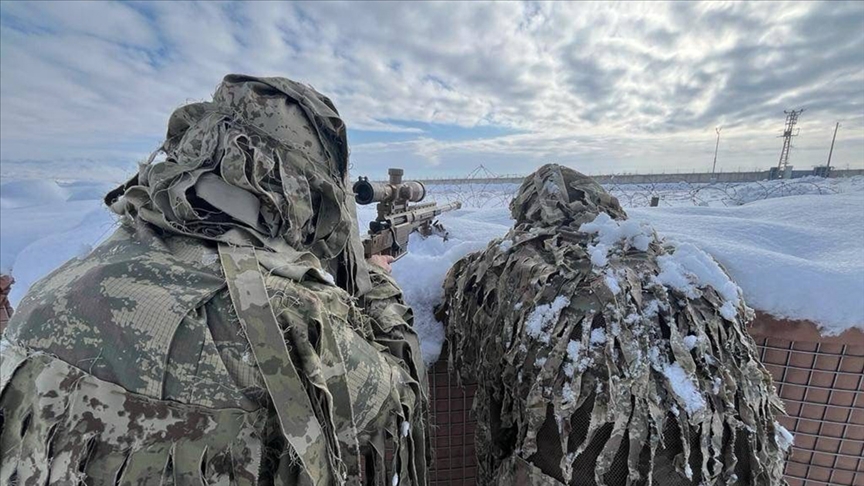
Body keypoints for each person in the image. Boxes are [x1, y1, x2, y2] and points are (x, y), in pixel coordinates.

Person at [1, 75, 429, 486]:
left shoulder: (52, 288)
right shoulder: (283, 311)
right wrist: (378, 282)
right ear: (296, 187)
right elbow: (392, 403)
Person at [438, 164, 789, 485]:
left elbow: (468, 351)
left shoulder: (513, 262)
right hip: (729, 465)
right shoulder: (684, 266)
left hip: (590, 469)